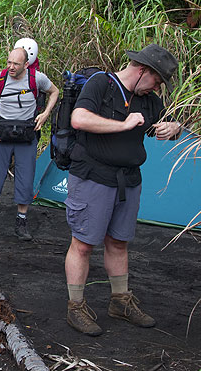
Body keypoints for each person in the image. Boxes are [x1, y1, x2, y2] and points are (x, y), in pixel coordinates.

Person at [63, 44, 182, 336]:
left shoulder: (150, 100)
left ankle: (119, 301)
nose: (156, 87)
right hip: (93, 175)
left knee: (118, 242)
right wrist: (123, 124)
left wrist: (173, 127)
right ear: (143, 70)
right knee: (84, 243)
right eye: (156, 80)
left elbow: (166, 123)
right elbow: (78, 119)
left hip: (128, 180)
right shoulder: (101, 84)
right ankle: (76, 306)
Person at [0, 47, 59, 240]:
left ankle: (21, 220)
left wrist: (45, 114)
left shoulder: (37, 78)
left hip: (26, 133)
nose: (11, 67)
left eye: (16, 64)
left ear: (26, 65)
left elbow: (54, 92)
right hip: (2, 132)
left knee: (25, 178)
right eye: (9, 62)